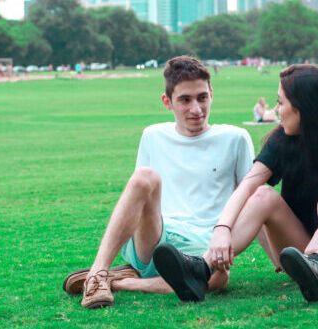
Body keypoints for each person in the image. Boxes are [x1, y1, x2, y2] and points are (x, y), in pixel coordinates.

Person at [153, 64, 318, 303]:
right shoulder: (282, 140)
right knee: (262, 194)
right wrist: (222, 230)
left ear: (303, 108)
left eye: (281, 103)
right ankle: (201, 269)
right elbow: (247, 186)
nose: (276, 110)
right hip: (305, 253)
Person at [61, 56, 255, 308]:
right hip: (156, 237)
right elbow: (139, 200)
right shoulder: (153, 135)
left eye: (202, 97)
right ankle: (98, 274)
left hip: (205, 246)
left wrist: (278, 259)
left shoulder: (236, 138)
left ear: (211, 94)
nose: (196, 109)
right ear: (167, 102)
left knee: (219, 278)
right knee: (144, 177)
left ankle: (122, 282)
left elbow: (251, 200)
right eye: (185, 100)